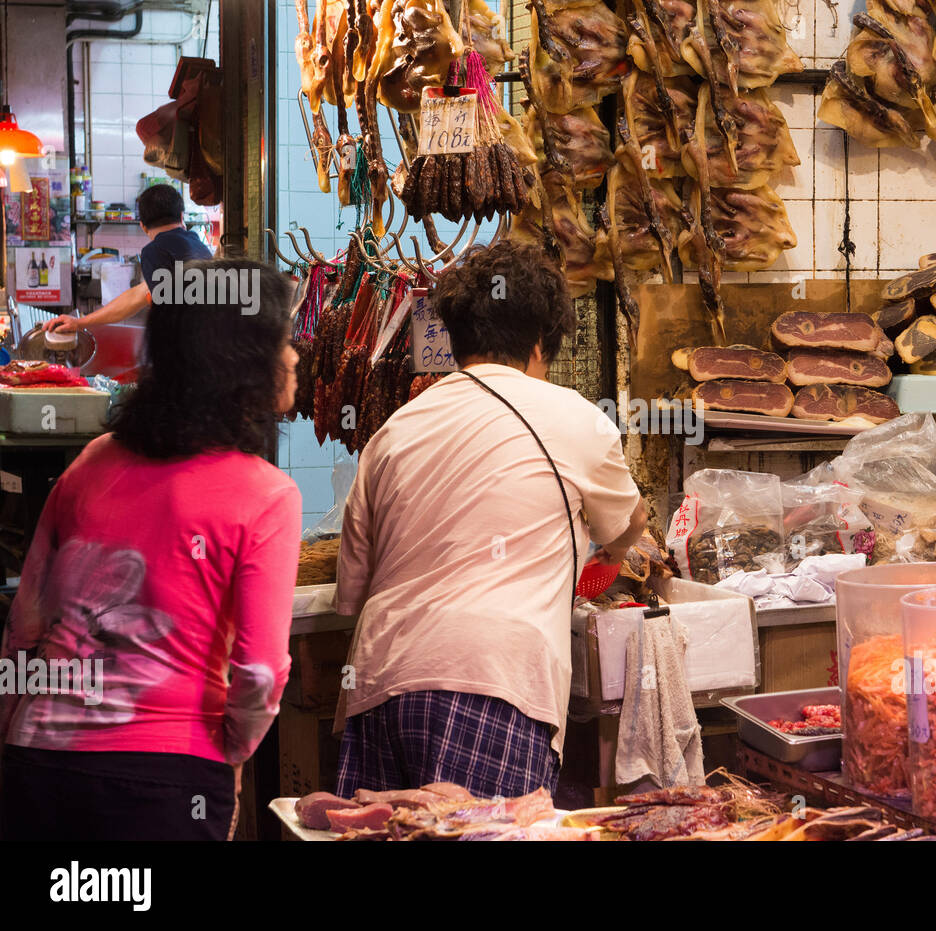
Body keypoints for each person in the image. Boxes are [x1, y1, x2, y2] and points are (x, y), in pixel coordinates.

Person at [0, 259, 302, 841]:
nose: (293, 357)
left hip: (39, 763)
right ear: (242, 361)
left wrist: (16, 741)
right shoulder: (266, 494)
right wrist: (225, 759)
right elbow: (261, 672)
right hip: (165, 780)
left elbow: (23, 629)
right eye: (284, 342)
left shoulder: (93, 462)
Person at [334, 241, 647, 800]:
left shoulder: (391, 433)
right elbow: (629, 518)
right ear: (538, 345)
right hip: (490, 682)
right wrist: (616, 552)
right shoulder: (573, 416)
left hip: (376, 682)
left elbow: (351, 593)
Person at [43, 184, 212, 335]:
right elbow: (137, 296)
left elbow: (166, 312)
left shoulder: (154, 252)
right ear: (182, 217)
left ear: (143, 226)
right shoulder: (200, 246)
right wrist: (79, 323)